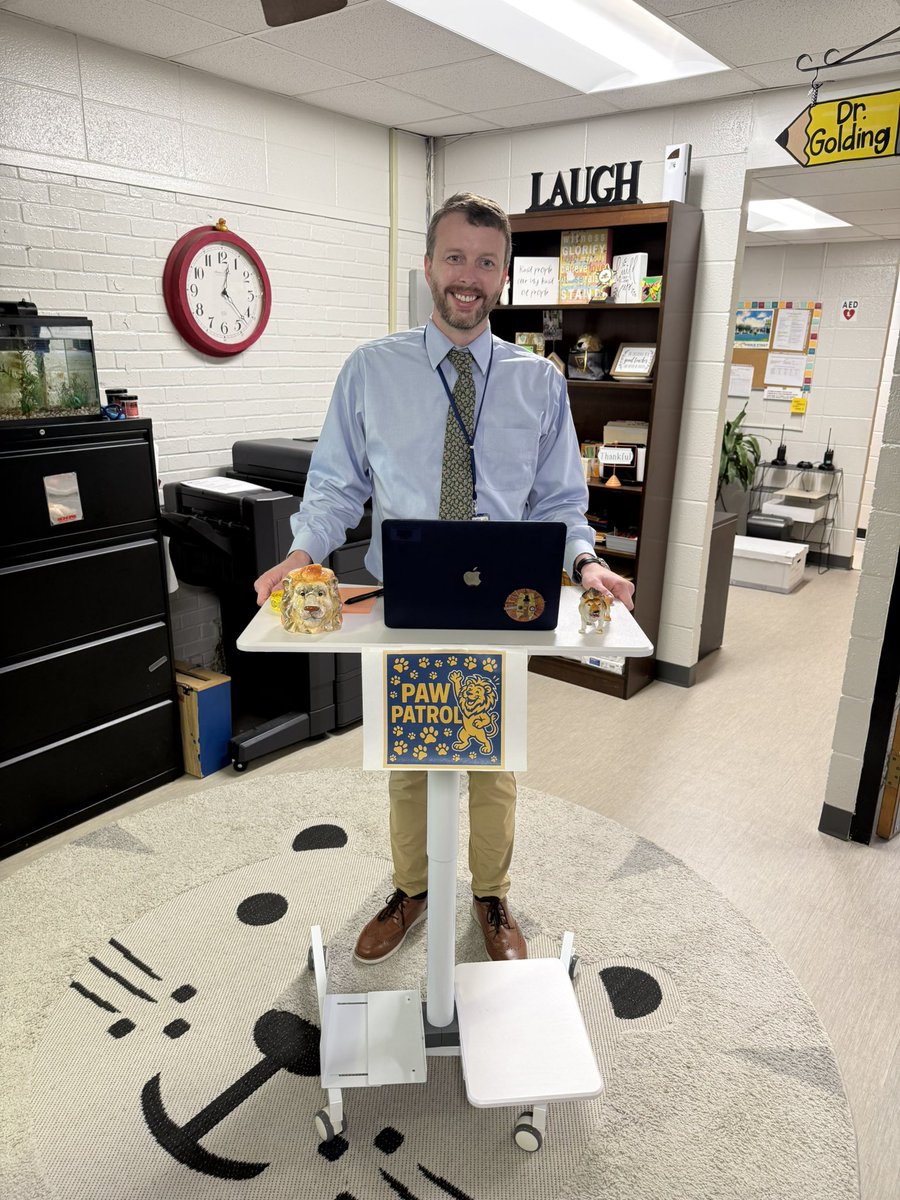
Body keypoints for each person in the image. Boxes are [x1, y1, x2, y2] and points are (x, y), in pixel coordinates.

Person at [254, 192, 635, 965]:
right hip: (413, 598)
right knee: (413, 753)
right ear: (429, 266)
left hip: (505, 600)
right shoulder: (372, 370)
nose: (469, 277)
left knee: (492, 762)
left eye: (486, 263)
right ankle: (412, 889)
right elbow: (334, 487)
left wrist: (589, 562)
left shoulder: (539, 382)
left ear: (503, 278)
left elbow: (561, 500)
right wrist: (301, 555)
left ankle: (490, 897)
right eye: (455, 258)